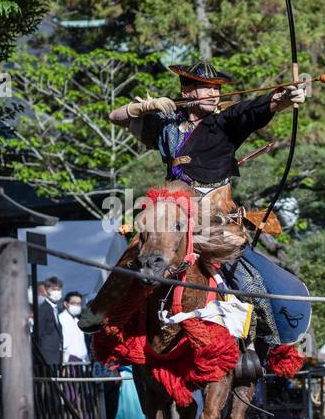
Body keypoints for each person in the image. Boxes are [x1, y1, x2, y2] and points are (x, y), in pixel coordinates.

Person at [79, 60, 312, 351]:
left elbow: (253, 109)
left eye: (216, 89)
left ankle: (258, 346)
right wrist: (147, 106)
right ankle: (101, 314)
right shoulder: (167, 124)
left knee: (249, 283)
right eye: (206, 88)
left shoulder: (224, 123)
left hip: (214, 224)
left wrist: (283, 98)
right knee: (136, 251)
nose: (214, 94)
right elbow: (116, 116)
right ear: (187, 91)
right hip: (173, 219)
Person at [35, 276, 65, 364]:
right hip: (46, 356)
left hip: (56, 356)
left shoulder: (55, 309)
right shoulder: (43, 309)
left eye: (59, 289)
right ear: (47, 291)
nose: (57, 292)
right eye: (54, 289)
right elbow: (38, 333)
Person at [59, 291, 90, 363]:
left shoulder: (77, 321)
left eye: (78, 304)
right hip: (70, 361)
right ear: (66, 304)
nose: (76, 306)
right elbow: (61, 345)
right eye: (73, 303)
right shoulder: (61, 319)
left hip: (82, 361)